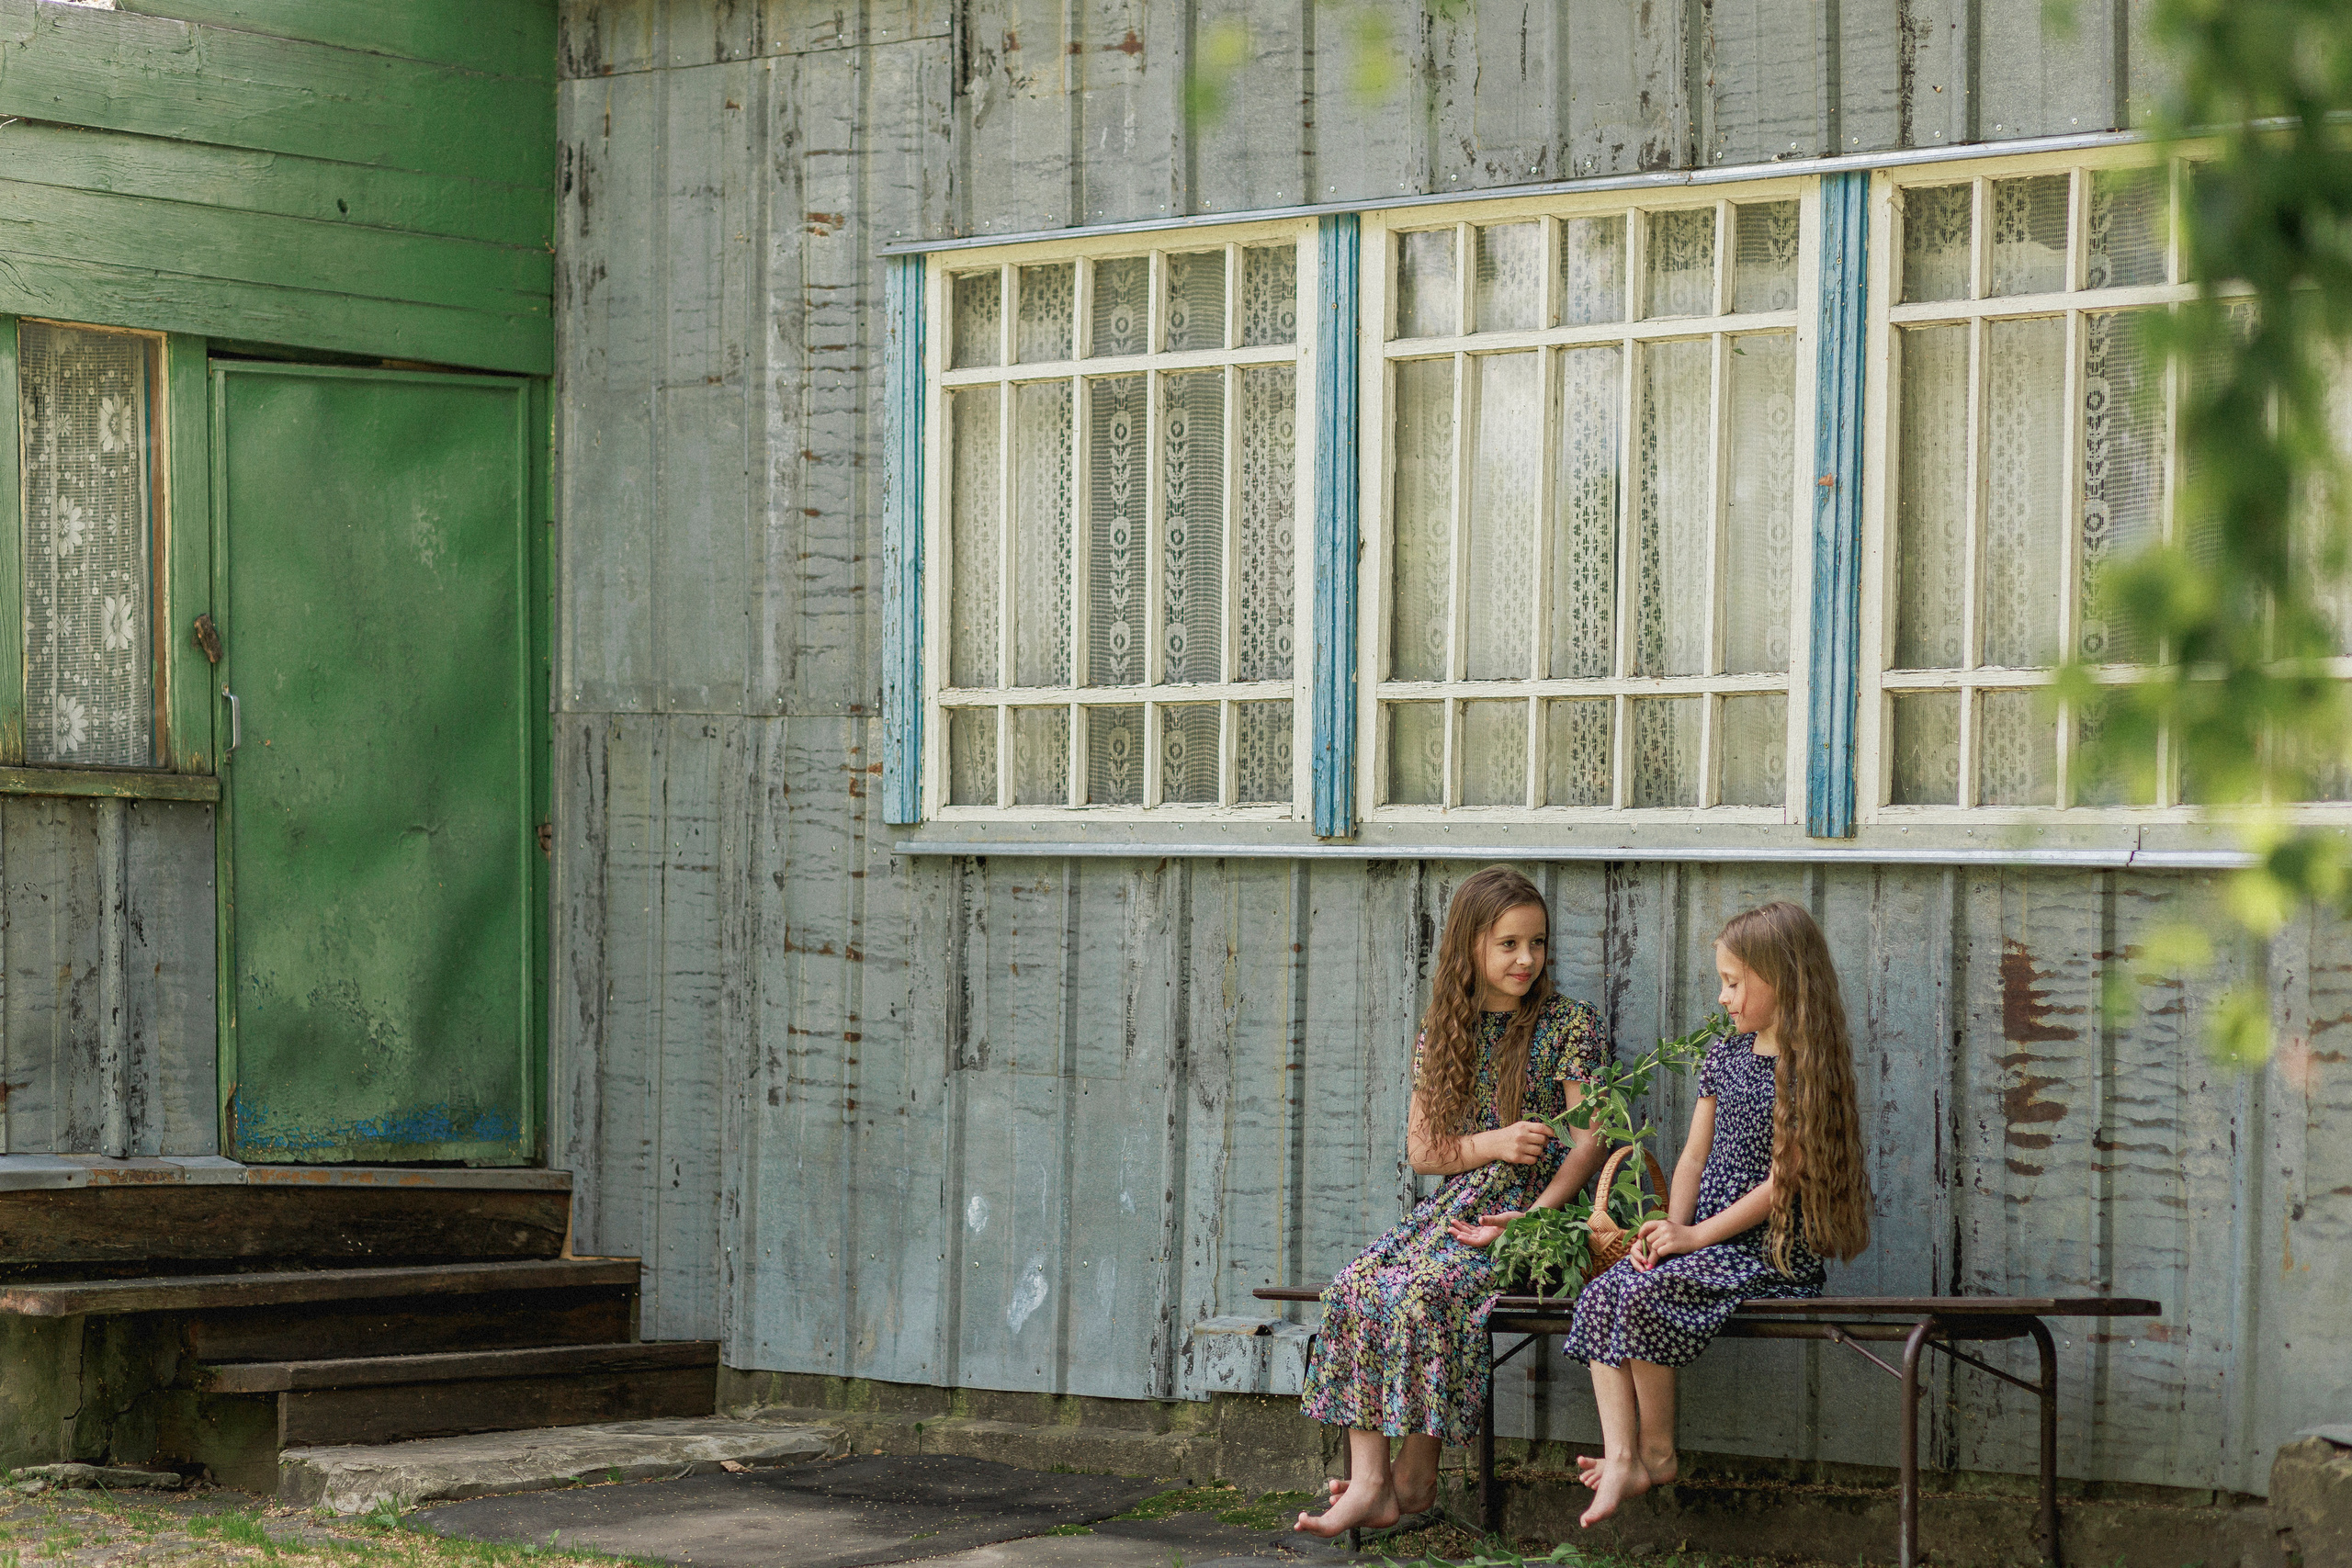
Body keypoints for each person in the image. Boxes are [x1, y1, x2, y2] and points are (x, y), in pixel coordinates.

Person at [1294, 865, 1612, 1540]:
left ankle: (1410, 1479)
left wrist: (1533, 1218)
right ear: (1470, 945)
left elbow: (1591, 1141)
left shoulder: (1568, 1024)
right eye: (1508, 944)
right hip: (1462, 1206)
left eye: (1537, 943)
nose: (1526, 958)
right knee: (1356, 1286)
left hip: (1537, 1216)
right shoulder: (1447, 1030)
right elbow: (1425, 1151)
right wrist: (1494, 1142)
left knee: (1428, 1289)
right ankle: (1377, 1480)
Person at [1562, 899, 1874, 1528]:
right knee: (1605, 1292)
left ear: (1782, 978)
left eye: (1734, 982)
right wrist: (1665, 1231)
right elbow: (1693, 1159)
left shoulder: (1805, 1070)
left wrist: (1696, 1235)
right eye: (1722, 982)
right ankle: (1625, 1453)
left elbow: (1784, 1183)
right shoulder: (1724, 1056)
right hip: (1704, 1243)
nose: (1724, 997)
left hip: (1770, 1252)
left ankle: (1654, 1449)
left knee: (1647, 1292)